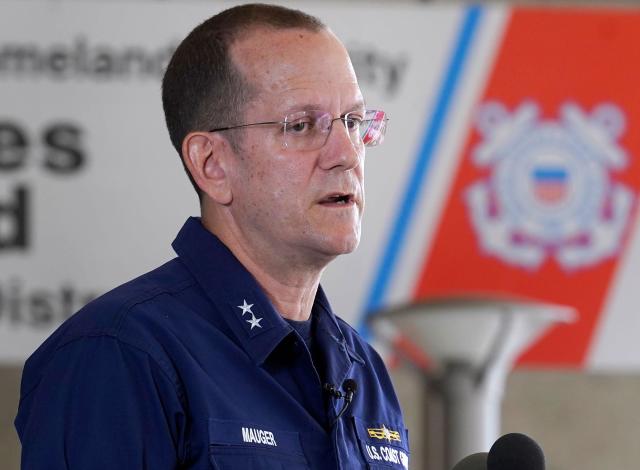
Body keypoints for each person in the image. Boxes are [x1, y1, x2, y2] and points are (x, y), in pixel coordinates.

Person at [14, 4, 409, 469]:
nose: (347, 153)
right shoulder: (118, 353)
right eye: (302, 125)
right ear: (212, 164)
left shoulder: (363, 367)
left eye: (354, 122)